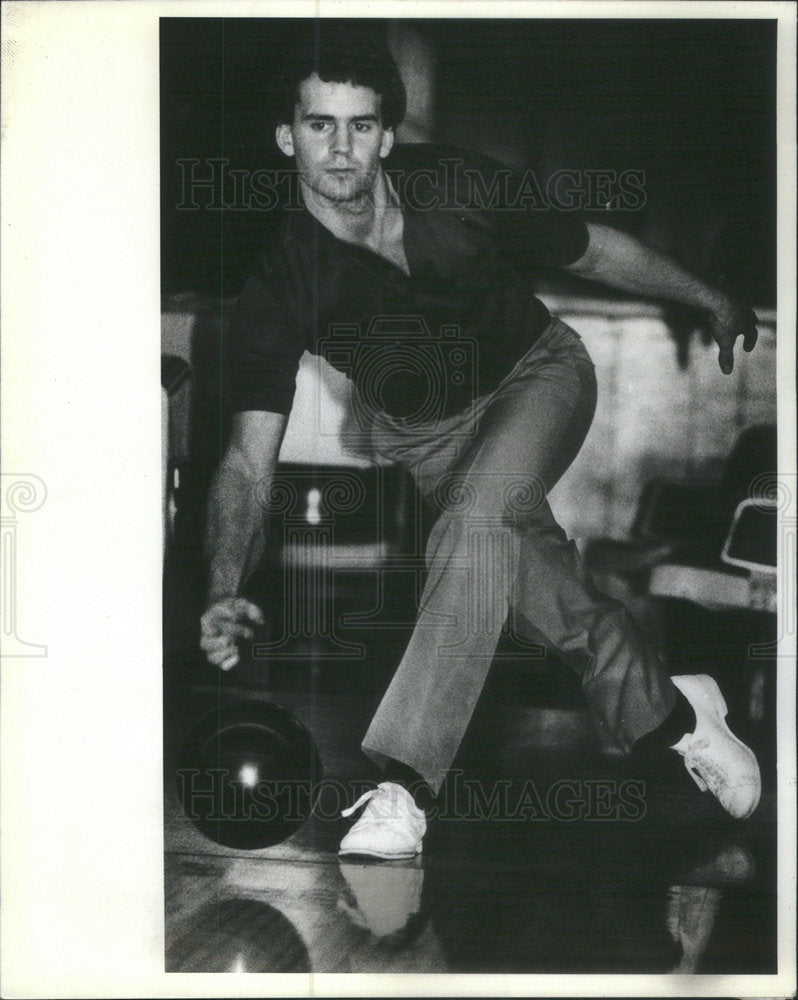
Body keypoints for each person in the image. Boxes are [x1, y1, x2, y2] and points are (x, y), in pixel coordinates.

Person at [200, 37, 761, 859]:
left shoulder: (459, 185)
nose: (343, 148)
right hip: (425, 436)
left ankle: (404, 784)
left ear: (389, 134)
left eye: (362, 126)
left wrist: (706, 294)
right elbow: (248, 462)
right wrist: (221, 584)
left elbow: (593, 247)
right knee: (515, 567)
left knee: (469, 531)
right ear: (288, 138)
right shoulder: (279, 287)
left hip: (537, 376)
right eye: (321, 126)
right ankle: (675, 713)